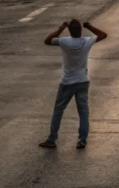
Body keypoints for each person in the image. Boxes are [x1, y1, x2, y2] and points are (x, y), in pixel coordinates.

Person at [39, 19, 108, 149]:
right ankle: (82, 140)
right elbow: (103, 35)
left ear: (69, 30)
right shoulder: (87, 41)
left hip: (67, 82)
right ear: (81, 30)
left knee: (59, 110)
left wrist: (61, 28)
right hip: (83, 80)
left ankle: (52, 139)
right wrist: (90, 26)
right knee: (83, 112)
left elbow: (47, 40)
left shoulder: (64, 41)